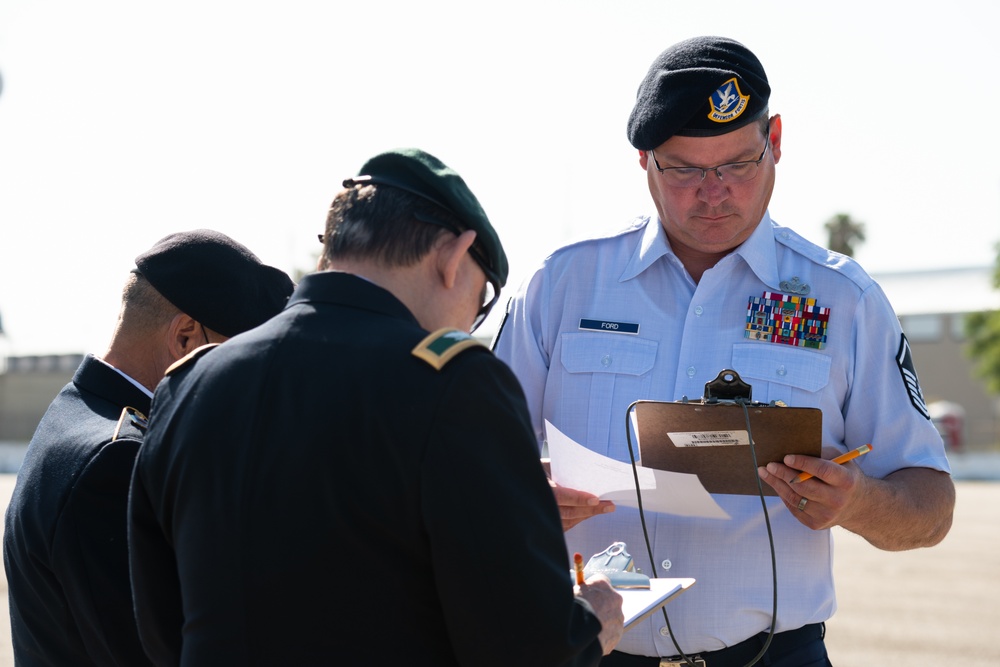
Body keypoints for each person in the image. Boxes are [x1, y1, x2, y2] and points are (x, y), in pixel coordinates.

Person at [493, 36, 955, 667]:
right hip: (589, 650)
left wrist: (859, 501)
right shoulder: (563, 285)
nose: (714, 193)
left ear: (777, 142)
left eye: (738, 164)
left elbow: (930, 507)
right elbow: (468, 464)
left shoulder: (843, 299)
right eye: (684, 170)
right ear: (644, 160)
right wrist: (518, 499)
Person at [127, 148, 624, 666]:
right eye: (479, 305)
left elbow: (161, 629)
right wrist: (590, 622)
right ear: (454, 257)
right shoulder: (455, 385)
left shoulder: (189, 386)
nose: (464, 328)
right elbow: (527, 649)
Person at [3, 230, 295, 666]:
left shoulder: (82, 415)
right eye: (239, 361)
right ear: (185, 338)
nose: (248, 387)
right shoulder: (115, 460)